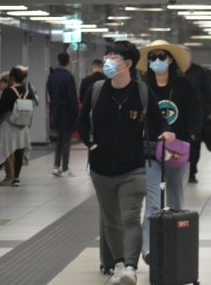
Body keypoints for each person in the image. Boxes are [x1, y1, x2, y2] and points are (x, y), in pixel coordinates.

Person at [78, 41, 174, 285]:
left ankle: (131, 267)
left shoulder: (141, 92)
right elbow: (80, 122)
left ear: (128, 63)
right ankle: (118, 263)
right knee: (111, 219)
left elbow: (158, 119)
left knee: (130, 218)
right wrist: (90, 144)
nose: (109, 60)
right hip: (101, 169)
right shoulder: (96, 90)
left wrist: (166, 132)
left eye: (114, 56)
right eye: (108, 55)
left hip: (133, 168)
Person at [137, 40, 201, 263]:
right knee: (153, 201)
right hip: (151, 149)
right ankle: (148, 249)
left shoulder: (183, 85)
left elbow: (195, 112)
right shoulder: (143, 87)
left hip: (177, 151)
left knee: (175, 199)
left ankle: (175, 242)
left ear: (170, 59)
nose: (157, 61)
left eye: (161, 56)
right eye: (152, 57)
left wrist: (192, 134)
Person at [181, 46, 211, 183]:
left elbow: (208, 92)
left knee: (194, 144)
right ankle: (179, 169)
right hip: (178, 115)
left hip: (197, 114)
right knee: (179, 143)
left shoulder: (198, 72)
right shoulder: (174, 71)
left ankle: (192, 171)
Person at [0, 66, 32, 187]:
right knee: (19, 151)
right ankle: (16, 178)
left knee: (1, 150)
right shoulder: (26, 91)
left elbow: (1, 108)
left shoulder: (8, 91)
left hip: (8, 125)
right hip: (22, 126)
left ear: (11, 77)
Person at [46, 52, 78, 177]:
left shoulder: (52, 76)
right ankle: (65, 168)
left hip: (55, 110)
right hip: (67, 111)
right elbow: (72, 97)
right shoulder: (68, 77)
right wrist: (76, 114)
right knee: (66, 140)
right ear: (68, 61)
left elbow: (49, 92)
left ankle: (56, 166)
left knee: (58, 139)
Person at [0, 72, 15, 186]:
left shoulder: (7, 92)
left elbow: (2, 108)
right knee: (9, 150)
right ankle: (11, 175)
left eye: (0, 82)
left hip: (5, 124)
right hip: (11, 123)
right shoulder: (14, 91)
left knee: (5, 150)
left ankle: (10, 176)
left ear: (4, 82)